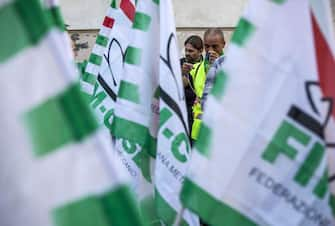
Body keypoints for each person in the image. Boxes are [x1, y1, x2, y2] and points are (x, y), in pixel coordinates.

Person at [190, 28, 225, 141]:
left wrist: (217, 65)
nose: (210, 50)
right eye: (207, 46)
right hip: (199, 132)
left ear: (223, 44)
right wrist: (182, 73)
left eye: (215, 46)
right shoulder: (196, 68)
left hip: (221, 131)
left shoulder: (232, 67)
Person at [180, 35, 204, 141]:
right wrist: (181, 74)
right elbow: (171, 86)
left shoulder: (205, 65)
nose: (187, 54)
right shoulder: (179, 64)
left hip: (198, 115)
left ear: (200, 51)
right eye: (186, 50)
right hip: (182, 112)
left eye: (191, 51)